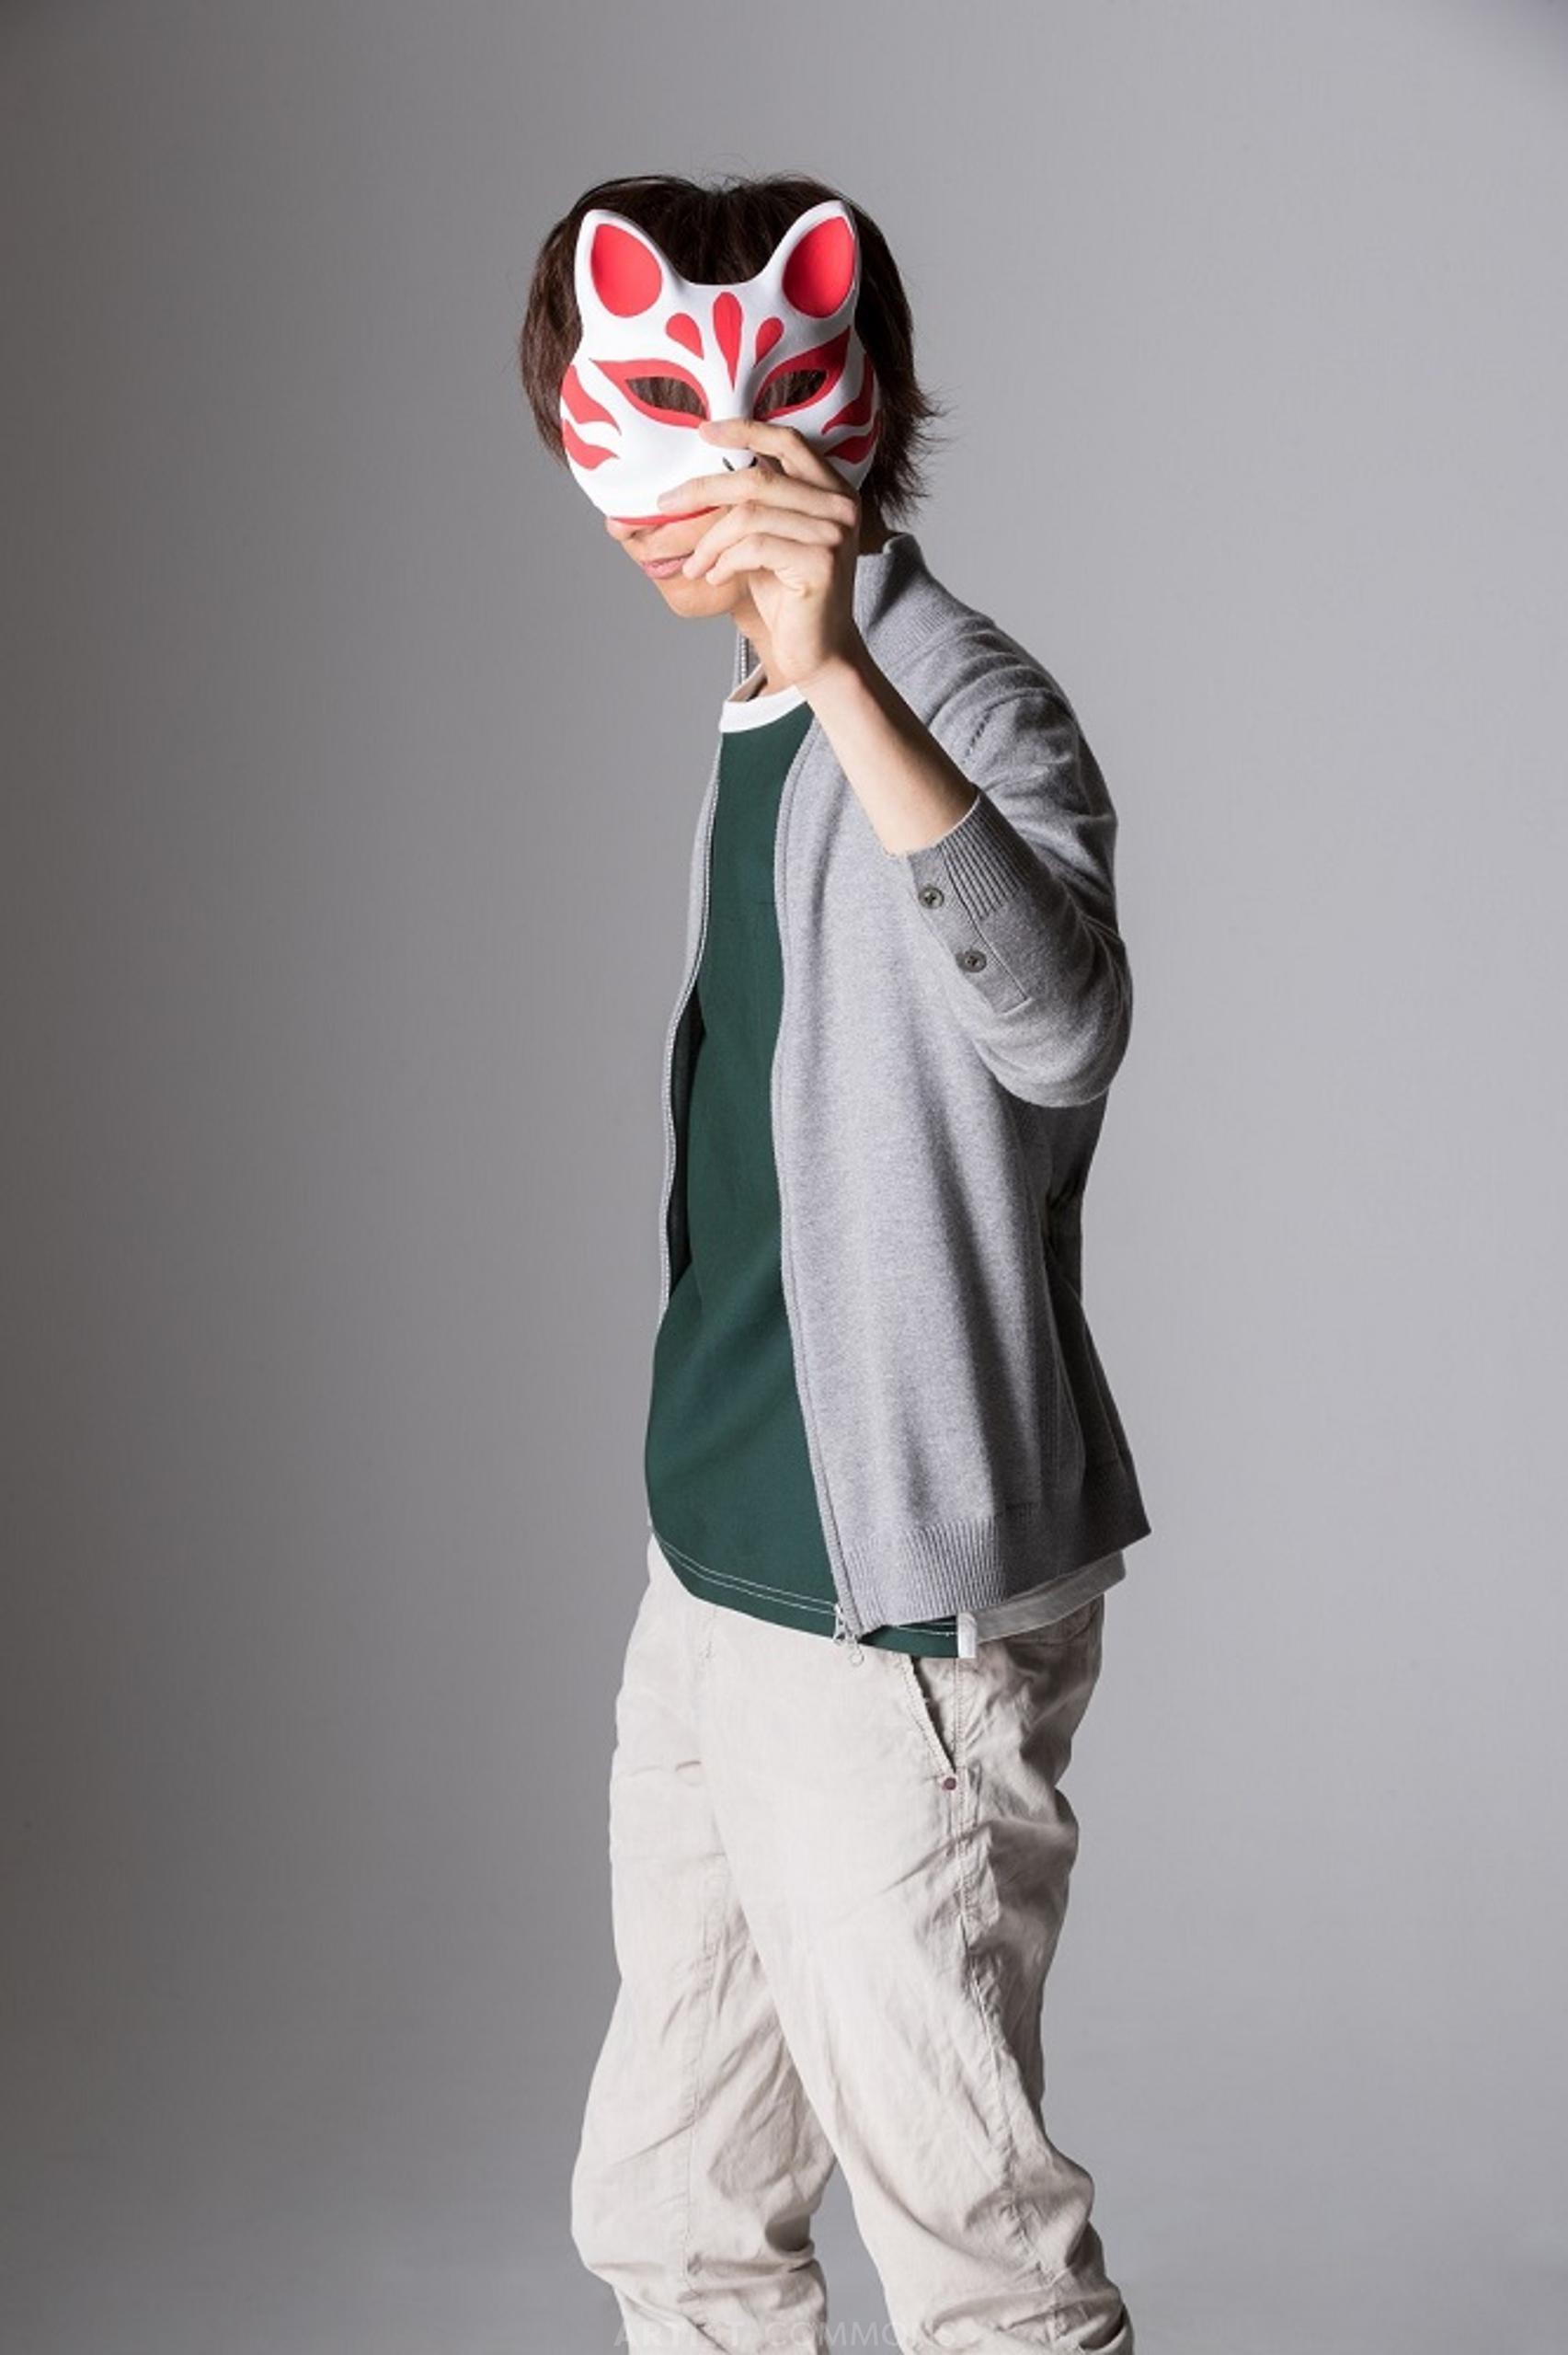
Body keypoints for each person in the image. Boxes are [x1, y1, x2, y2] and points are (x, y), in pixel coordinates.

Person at [520, 169, 1152, 2353]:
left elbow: (1061, 1027)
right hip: (716, 1568)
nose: (650, 487)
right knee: (673, 2205)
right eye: (604, 423)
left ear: (839, 412)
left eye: (715, 423)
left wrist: (851, 678)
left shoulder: (949, 692)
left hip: (885, 1610)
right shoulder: (751, 707)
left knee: (974, 2249)